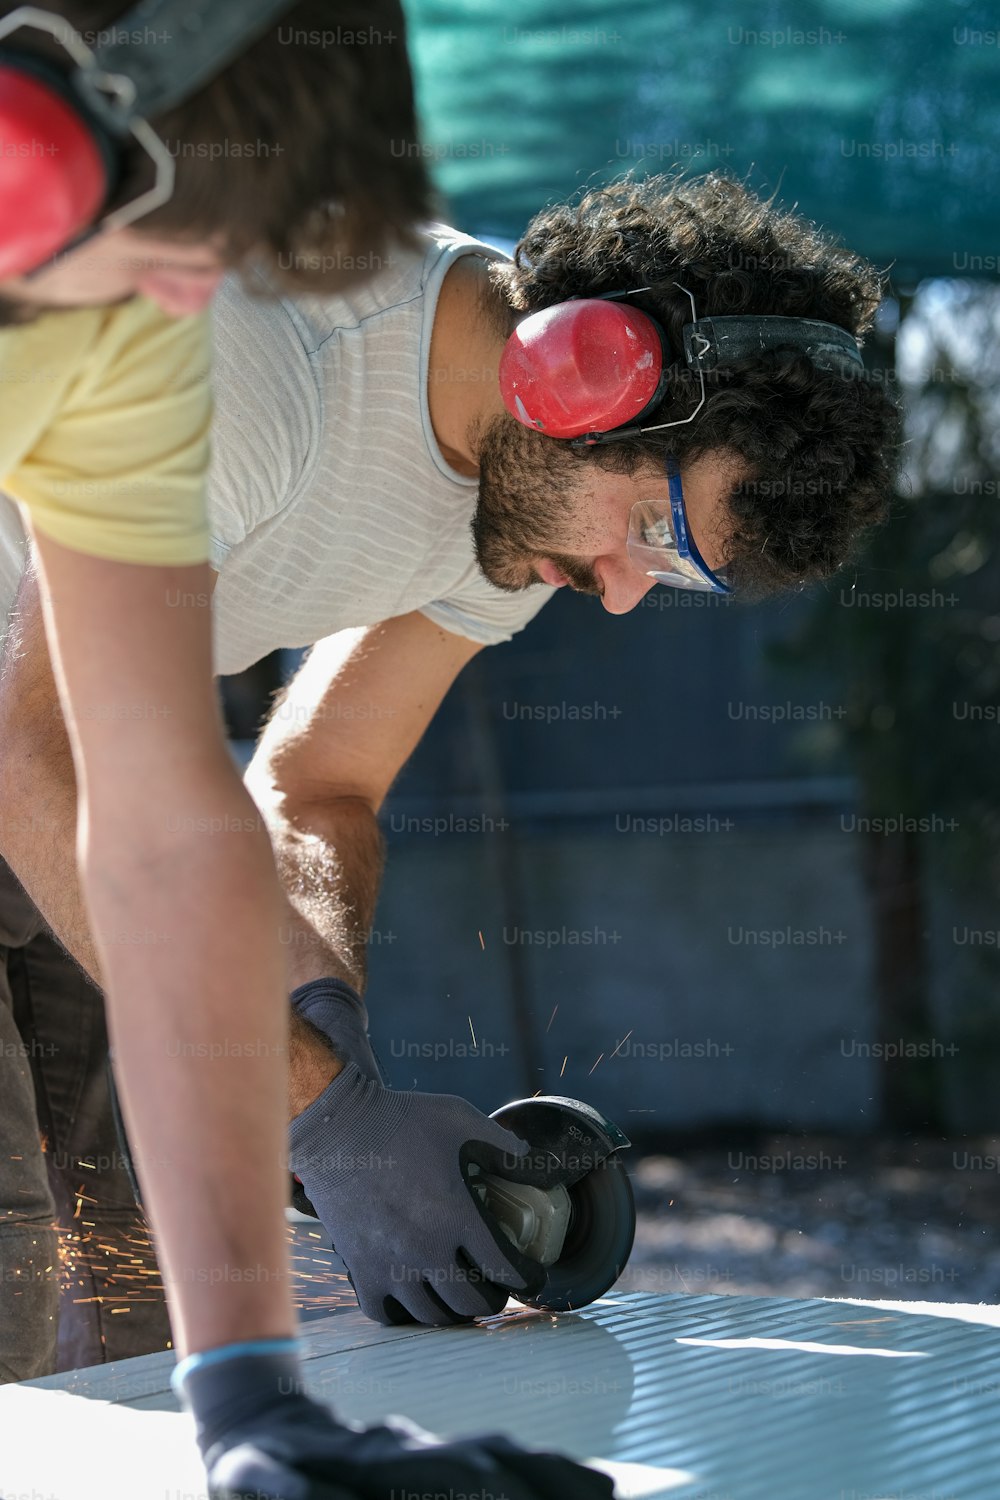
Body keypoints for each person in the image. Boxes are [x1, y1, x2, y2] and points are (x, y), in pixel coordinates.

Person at [0, 172, 901, 1366]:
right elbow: (34, 754)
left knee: (141, 1288)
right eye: (650, 530)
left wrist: (321, 1028)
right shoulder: (257, 354)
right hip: (34, 751)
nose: (623, 591)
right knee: (13, 1260)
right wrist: (324, 1113)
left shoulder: (517, 504)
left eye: (674, 573)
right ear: (581, 370)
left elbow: (321, 784)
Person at [0, 3, 614, 1497]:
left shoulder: (134, 337)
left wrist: (254, 1406)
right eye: (226, 230)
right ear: (35, 137)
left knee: (63, 1316)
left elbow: (159, 816)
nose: (220, 293)